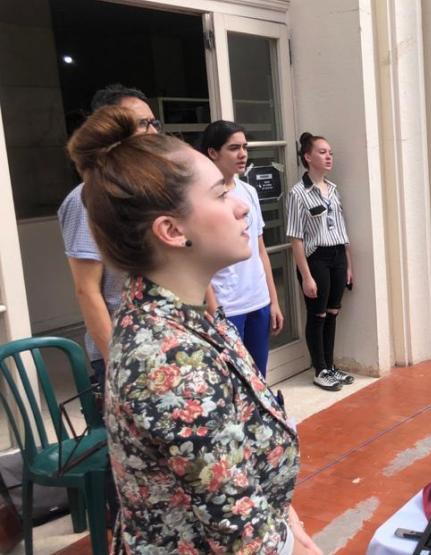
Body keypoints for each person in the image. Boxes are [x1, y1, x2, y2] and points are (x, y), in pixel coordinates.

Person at [66, 105, 322, 554]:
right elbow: (243, 536)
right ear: (171, 230)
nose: (241, 205)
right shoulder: (166, 359)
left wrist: (287, 520)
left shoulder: (191, 314)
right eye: (221, 194)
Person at [57, 84, 159, 387]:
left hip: (163, 341)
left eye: (154, 122)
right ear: (110, 128)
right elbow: (88, 291)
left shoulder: (148, 188)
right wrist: (118, 367)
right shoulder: (86, 199)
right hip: (125, 350)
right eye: (141, 124)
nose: (152, 132)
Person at [198, 120, 284, 377]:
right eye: (234, 148)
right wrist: (213, 311)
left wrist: (273, 301)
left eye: (245, 147)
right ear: (213, 153)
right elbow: (198, 259)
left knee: (259, 378)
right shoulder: (200, 197)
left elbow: (260, 248)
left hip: (257, 301)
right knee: (232, 380)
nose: (243, 154)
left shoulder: (248, 191)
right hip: (226, 306)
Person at [287, 133, 355, 392]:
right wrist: (306, 276)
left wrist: (348, 263)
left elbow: (341, 229)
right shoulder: (298, 194)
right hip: (316, 260)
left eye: (331, 153)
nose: (329, 157)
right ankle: (320, 369)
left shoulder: (333, 189)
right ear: (307, 157)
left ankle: (330, 365)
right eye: (323, 152)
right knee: (317, 315)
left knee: (333, 312)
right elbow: (296, 239)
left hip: (337, 256)